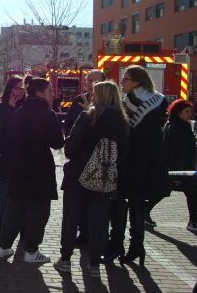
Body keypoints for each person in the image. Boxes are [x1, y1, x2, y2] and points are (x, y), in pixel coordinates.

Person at [54, 81, 129, 278]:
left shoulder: (87, 117)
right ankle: (94, 264)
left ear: (99, 96)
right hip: (104, 179)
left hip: (78, 176)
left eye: (94, 93)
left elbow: (69, 149)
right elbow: (123, 154)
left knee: (71, 219)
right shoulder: (122, 122)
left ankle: (65, 260)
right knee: (99, 223)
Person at [0, 78, 65, 263]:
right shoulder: (48, 115)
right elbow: (58, 142)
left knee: (14, 208)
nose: (52, 94)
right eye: (49, 91)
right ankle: (31, 251)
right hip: (40, 167)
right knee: (38, 210)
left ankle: (3, 246)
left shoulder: (18, 112)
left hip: (18, 164)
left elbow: (9, 139)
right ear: (39, 93)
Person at [106, 65, 169, 266]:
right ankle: (137, 247)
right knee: (137, 206)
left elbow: (127, 132)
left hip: (131, 160)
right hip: (151, 162)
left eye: (126, 79)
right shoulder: (160, 100)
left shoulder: (131, 101)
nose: (122, 82)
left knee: (120, 203)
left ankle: (117, 245)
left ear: (136, 82)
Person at [62, 69, 106, 246]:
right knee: (77, 203)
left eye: (95, 81)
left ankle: (92, 236)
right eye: (88, 80)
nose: (90, 84)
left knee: (95, 205)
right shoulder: (78, 101)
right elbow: (69, 126)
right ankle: (81, 234)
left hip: (100, 162)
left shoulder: (108, 104)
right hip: (79, 159)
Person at [145, 100, 197, 232]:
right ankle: (144, 210)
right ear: (178, 112)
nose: (189, 114)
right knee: (164, 191)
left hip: (185, 168)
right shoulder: (175, 128)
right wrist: (176, 172)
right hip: (178, 168)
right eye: (186, 112)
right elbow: (173, 152)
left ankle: (193, 220)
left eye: (190, 111)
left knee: (191, 192)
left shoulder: (182, 125)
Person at [0, 75, 25, 232]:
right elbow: (0, 127)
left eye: (23, 87)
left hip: (21, 155)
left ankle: (16, 225)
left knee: (19, 193)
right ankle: (1, 223)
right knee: (4, 189)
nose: (21, 91)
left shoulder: (27, 106)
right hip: (4, 153)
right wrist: (10, 108)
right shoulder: (0, 107)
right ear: (10, 89)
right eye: (18, 87)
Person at [64, 70, 106, 136]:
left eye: (96, 82)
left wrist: (90, 112)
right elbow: (68, 122)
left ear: (103, 84)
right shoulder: (79, 100)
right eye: (89, 80)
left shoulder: (107, 101)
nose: (92, 84)